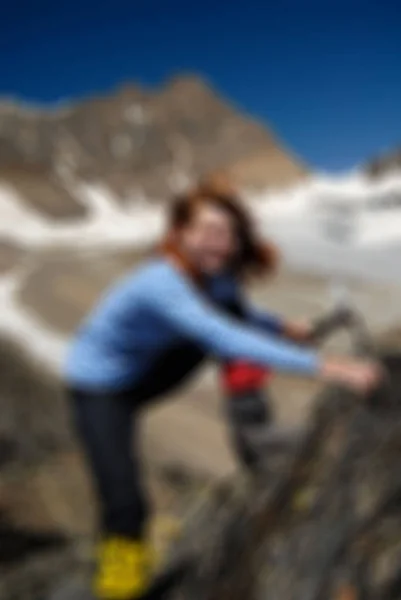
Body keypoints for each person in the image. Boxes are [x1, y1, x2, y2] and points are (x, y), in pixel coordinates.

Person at [65, 180, 381, 600]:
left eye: (228, 233)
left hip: (145, 372)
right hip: (99, 389)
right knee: (125, 504)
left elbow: (238, 313)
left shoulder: (214, 279)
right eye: (207, 230)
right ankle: (119, 590)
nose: (220, 242)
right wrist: (329, 367)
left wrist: (286, 328)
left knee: (228, 312)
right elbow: (224, 335)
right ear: (180, 233)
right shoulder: (162, 281)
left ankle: (248, 423)